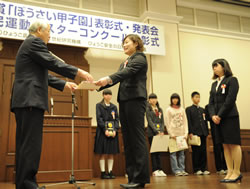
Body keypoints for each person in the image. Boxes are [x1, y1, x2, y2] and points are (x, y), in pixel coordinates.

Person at [10, 20, 93, 189]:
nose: (50, 35)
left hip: (26, 100)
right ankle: (27, 184)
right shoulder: (34, 42)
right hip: (30, 100)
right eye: (49, 31)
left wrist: (64, 84)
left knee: (25, 144)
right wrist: (80, 72)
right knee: (30, 145)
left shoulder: (29, 45)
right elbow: (53, 63)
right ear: (39, 30)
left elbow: (43, 75)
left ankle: (24, 183)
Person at [95, 34, 150, 188]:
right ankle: (132, 177)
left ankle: (140, 179)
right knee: (128, 140)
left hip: (135, 100)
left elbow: (125, 74)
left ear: (136, 43)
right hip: (124, 101)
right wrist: (98, 85)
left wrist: (106, 78)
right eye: (123, 43)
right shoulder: (124, 62)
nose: (124, 45)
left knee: (137, 139)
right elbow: (118, 78)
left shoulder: (140, 58)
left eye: (127, 42)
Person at [208, 58, 242, 183]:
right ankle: (230, 171)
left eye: (216, 66)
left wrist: (220, 115)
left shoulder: (232, 80)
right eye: (213, 67)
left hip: (229, 117)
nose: (214, 69)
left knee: (233, 144)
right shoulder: (214, 84)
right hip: (217, 119)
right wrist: (212, 116)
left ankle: (237, 172)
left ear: (224, 67)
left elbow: (230, 100)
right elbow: (210, 102)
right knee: (225, 145)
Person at [94, 89, 120, 179]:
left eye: (110, 94)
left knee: (111, 152)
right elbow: (99, 118)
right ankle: (103, 172)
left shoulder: (114, 107)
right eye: (106, 94)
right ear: (103, 95)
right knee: (103, 152)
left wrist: (115, 130)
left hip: (112, 132)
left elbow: (117, 119)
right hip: (102, 132)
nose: (108, 96)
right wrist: (105, 130)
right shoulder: (99, 105)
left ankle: (110, 171)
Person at [186, 92, 210, 175]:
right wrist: (190, 132)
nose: (198, 99)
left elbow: (205, 121)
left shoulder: (202, 110)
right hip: (195, 133)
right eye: (196, 97)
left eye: (199, 97)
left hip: (203, 133)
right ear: (192, 98)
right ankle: (197, 169)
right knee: (196, 152)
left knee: (203, 151)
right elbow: (189, 121)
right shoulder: (189, 109)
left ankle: (204, 168)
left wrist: (206, 132)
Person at [165, 93, 189, 176]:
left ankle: (182, 169)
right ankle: (176, 170)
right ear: (171, 100)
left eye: (176, 98)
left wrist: (186, 133)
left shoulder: (182, 109)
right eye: (173, 98)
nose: (175, 100)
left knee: (182, 153)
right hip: (173, 135)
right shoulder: (168, 109)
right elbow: (167, 123)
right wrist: (171, 134)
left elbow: (185, 122)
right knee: (173, 153)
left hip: (182, 135)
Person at [146, 93, 167, 177]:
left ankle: (160, 169)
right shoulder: (148, 109)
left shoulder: (160, 109)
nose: (154, 100)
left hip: (160, 133)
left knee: (159, 152)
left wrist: (161, 130)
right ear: (149, 100)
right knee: (154, 152)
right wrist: (156, 131)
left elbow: (162, 121)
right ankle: (155, 170)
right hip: (152, 133)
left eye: (155, 98)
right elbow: (150, 121)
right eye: (152, 99)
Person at [205, 105, 227, 175]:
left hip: (223, 129)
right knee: (217, 149)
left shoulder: (222, 105)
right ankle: (219, 168)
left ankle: (226, 167)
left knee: (225, 149)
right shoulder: (208, 106)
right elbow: (207, 118)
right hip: (214, 130)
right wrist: (214, 118)